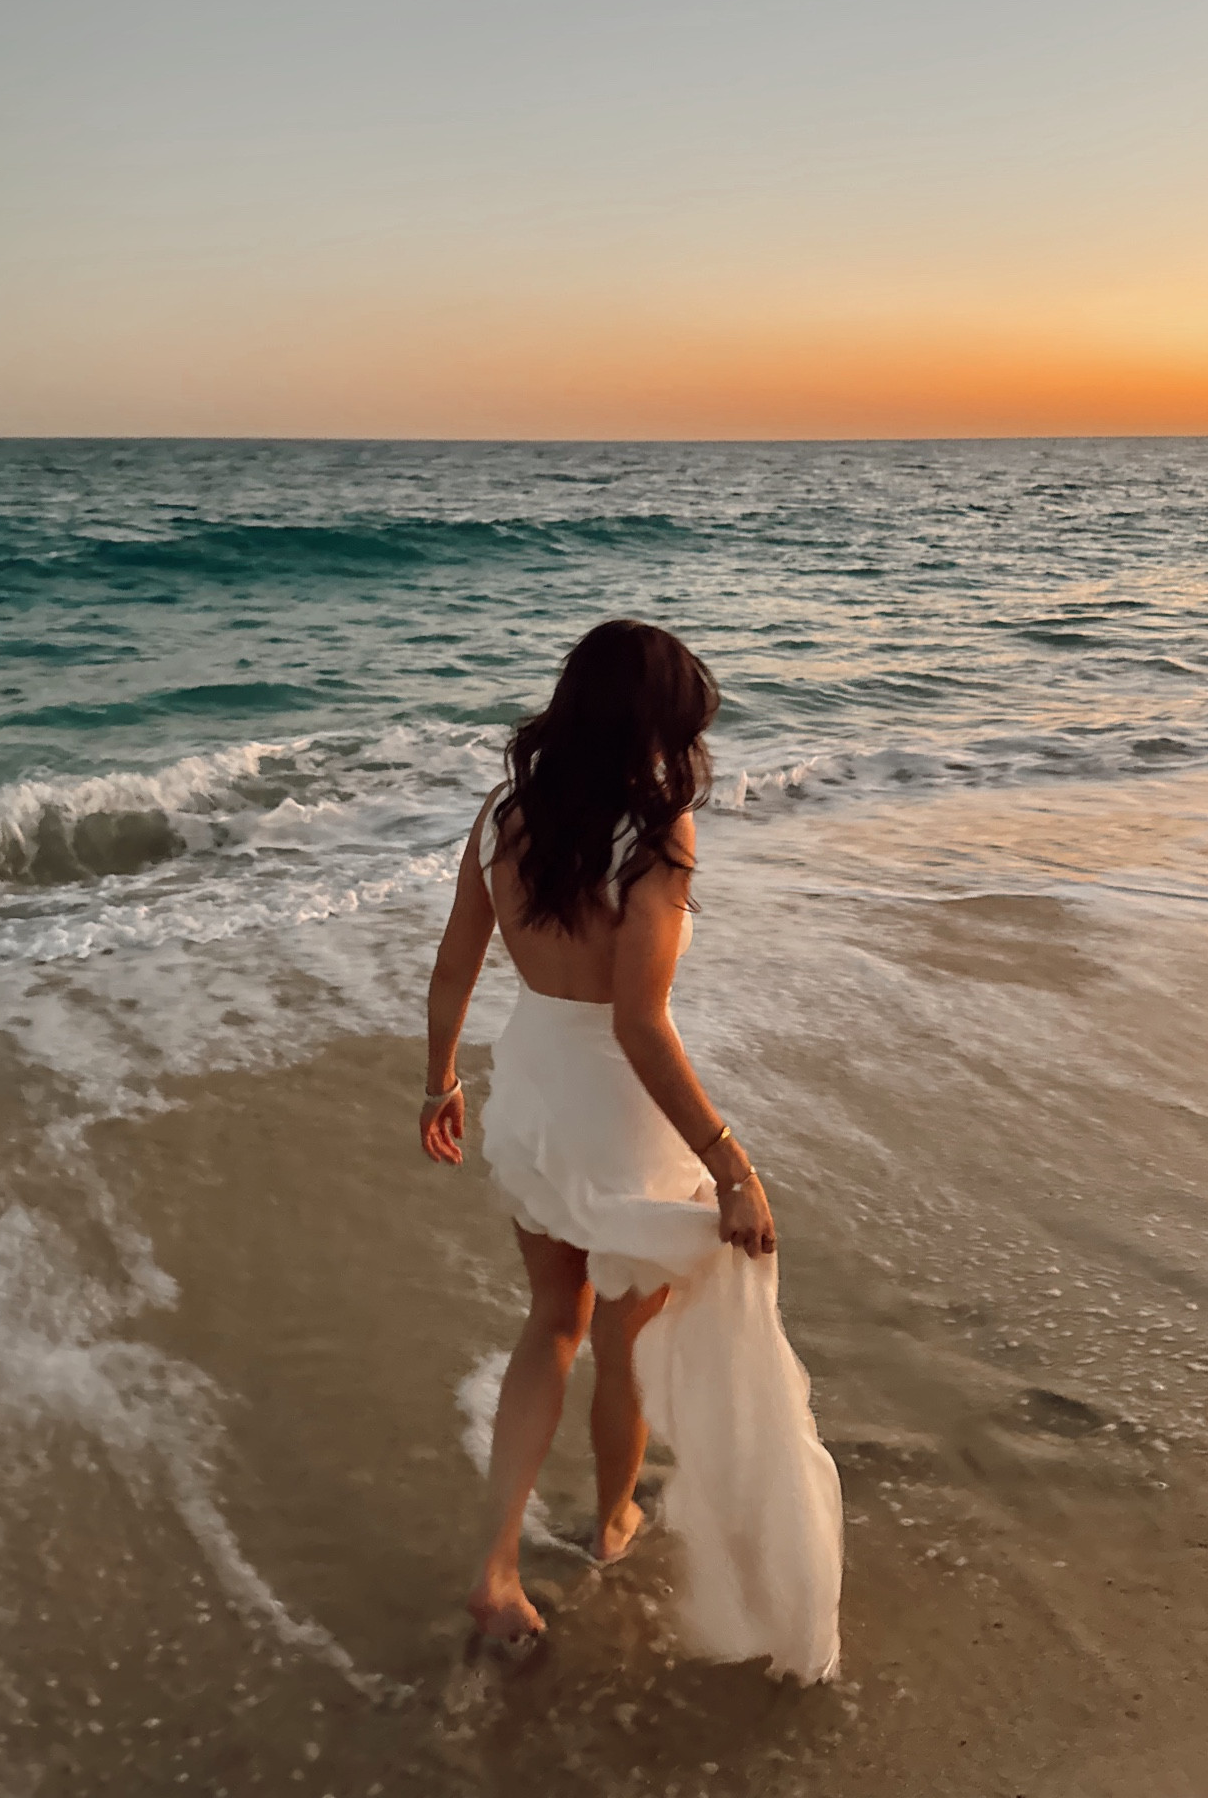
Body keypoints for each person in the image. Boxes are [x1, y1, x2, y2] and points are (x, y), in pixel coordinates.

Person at [420, 620, 842, 1683]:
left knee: (549, 1320)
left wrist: (439, 1082)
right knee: (623, 1334)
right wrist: (731, 1159)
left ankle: (498, 1563)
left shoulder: (501, 815)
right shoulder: (659, 835)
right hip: (617, 1111)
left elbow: (452, 971)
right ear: (648, 726)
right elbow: (640, 1023)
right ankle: (612, 1522)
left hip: (529, 1093)